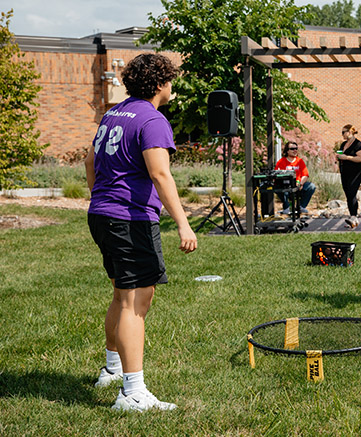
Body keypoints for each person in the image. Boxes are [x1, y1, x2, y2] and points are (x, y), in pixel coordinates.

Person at [85, 53, 197, 411]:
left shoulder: (112, 114)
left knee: (122, 294)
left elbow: (89, 161)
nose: (171, 87)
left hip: (102, 214)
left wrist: (100, 198)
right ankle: (132, 392)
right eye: (170, 81)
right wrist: (183, 223)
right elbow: (160, 174)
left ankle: (112, 369)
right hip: (129, 220)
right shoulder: (152, 119)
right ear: (161, 84)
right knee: (137, 301)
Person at [274, 141, 316, 214]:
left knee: (311, 186)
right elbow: (277, 175)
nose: (295, 150)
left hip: (298, 185)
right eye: (292, 149)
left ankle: (301, 207)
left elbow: (305, 175)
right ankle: (286, 207)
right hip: (286, 186)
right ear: (287, 151)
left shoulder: (299, 161)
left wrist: (301, 183)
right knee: (277, 188)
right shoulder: (281, 162)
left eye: (296, 148)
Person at [336, 124, 361, 228]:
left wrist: (347, 157)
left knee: (352, 192)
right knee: (348, 194)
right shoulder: (343, 144)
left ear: (350, 132)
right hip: (345, 172)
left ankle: (354, 216)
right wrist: (339, 157)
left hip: (356, 172)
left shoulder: (357, 144)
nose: (342, 134)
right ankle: (353, 217)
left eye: (344, 132)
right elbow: (341, 156)